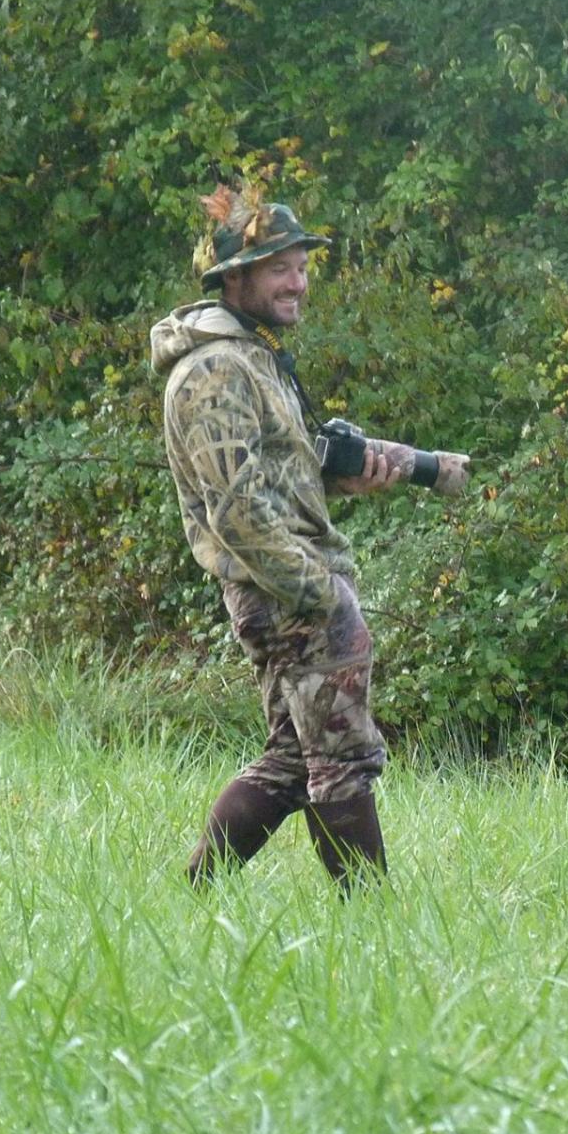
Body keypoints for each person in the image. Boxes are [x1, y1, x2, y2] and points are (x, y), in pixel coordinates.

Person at [150, 186, 470, 892]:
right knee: (343, 759)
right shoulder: (213, 372)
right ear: (235, 279)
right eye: (279, 269)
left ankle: (193, 894)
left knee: (294, 761)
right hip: (285, 590)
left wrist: (397, 473)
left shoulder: (253, 357)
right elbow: (236, 511)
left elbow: (274, 475)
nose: (298, 282)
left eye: (301, 266)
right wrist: (321, 595)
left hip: (285, 584)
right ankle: (372, 924)